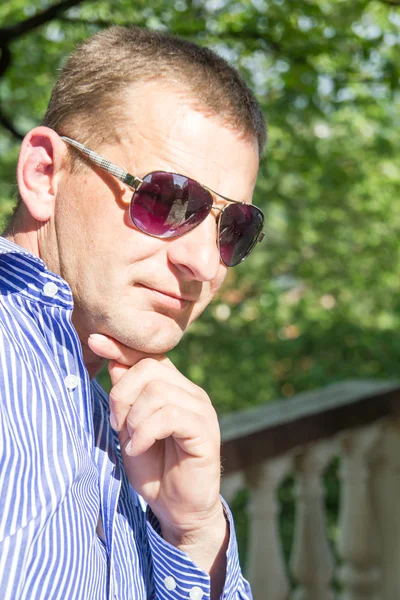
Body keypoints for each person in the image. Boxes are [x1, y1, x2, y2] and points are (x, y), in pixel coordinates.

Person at [0, 26, 266, 600]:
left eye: (233, 228)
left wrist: (194, 534)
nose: (204, 263)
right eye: (169, 200)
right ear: (45, 175)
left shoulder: (131, 430)